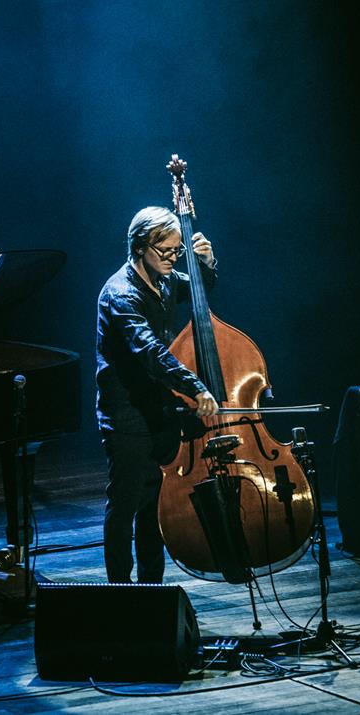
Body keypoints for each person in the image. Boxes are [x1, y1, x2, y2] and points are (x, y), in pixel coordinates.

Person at [95, 206, 219, 583]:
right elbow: (150, 352)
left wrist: (206, 263)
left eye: (177, 251)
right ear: (139, 246)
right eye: (165, 251)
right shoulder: (120, 294)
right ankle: (120, 588)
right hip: (126, 414)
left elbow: (199, 288)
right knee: (125, 506)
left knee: (155, 505)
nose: (172, 258)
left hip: (160, 410)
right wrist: (196, 387)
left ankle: (152, 587)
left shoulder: (164, 279)